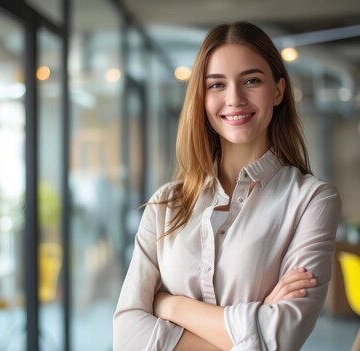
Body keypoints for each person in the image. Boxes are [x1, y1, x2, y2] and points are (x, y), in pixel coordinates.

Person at [113, 21, 341, 351]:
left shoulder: (312, 200)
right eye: (217, 85)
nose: (234, 98)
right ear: (202, 98)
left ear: (278, 90)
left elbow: (282, 338)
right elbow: (126, 336)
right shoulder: (166, 203)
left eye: (251, 80)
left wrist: (169, 306)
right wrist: (255, 326)